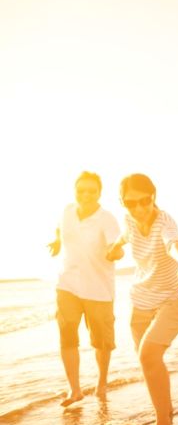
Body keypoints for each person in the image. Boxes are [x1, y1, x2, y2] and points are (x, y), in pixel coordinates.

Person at [105, 173, 178, 425]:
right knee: (146, 358)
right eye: (130, 203)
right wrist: (113, 249)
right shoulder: (129, 220)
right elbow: (124, 237)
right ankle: (166, 408)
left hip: (176, 297)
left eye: (143, 201)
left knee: (148, 354)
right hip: (142, 298)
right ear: (123, 203)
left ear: (153, 197)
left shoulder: (164, 222)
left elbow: (173, 243)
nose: (138, 208)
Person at [48, 171, 120, 406]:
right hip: (67, 284)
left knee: (101, 341)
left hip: (99, 289)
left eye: (92, 190)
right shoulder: (67, 211)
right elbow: (61, 228)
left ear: (100, 192)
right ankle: (75, 390)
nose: (86, 195)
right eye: (81, 190)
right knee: (67, 335)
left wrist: (115, 252)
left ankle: (101, 384)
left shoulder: (106, 219)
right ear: (75, 191)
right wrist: (58, 241)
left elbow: (115, 246)